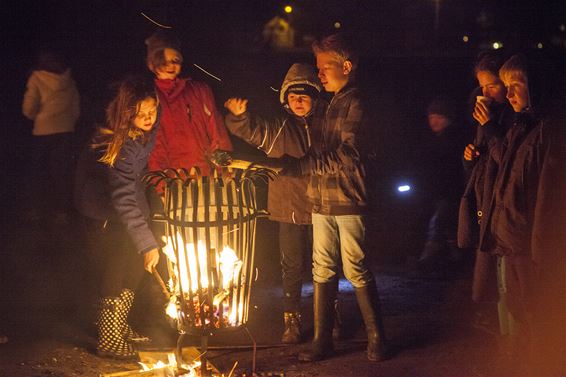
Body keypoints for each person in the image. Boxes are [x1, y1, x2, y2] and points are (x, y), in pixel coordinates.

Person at [271, 33, 386, 362]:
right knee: (321, 267)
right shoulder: (327, 104)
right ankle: (323, 340)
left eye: (324, 67)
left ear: (346, 66)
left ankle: (377, 338)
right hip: (320, 201)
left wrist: (303, 166)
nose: (318, 73)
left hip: (348, 200)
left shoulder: (356, 104)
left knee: (355, 267)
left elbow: (348, 154)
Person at [224, 63, 328, 344]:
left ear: (315, 98)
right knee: (292, 267)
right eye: (293, 97)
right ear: (285, 99)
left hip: (323, 208)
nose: (298, 101)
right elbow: (254, 131)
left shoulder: (327, 125)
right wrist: (240, 118)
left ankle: (328, 319)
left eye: (304, 96)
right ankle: (292, 321)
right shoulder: (280, 128)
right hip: (289, 209)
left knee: (325, 266)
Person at [478, 54, 566, 375]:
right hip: (511, 236)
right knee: (519, 308)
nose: (509, 93)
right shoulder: (521, 125)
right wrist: (487, 131)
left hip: (529, 244)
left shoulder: (550, 131)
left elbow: (548, 196)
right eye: (508, 85)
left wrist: (541, 249)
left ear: (536, 87)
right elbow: (509, 170)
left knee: (538, 312)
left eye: (517, 85)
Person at [74, 77, 161, 359]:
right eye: (142, 114)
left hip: (122, 206)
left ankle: (118, 325)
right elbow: (122, 196)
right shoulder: (120, 144)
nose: (149, 118)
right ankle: (109, 338)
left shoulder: (145, 132)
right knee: (118, 265)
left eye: (153, 111)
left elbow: (133, 183)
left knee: (135, 265)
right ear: (127, 114)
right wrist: (147, 243)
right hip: (102, 211)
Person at [460, 50, 515, 336]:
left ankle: (513, 342)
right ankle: (497, 328)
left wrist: (489, 126)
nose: (486, 92)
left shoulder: (512, 118)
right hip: (487, 204)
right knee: (491, 275)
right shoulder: (486, 115)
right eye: (482, 86)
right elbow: (483, 165)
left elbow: (507, 161)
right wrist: (469, 159)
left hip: (503, 208)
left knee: (507, 280)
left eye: (492, 85)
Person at [145, 30, 232, 174]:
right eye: (163, 61)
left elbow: (217, 130)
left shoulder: (199, 90)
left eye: (175, 60)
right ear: (152, 64)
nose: (170, 66)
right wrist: (160, 184)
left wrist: (225, 170)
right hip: (175, 181)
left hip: (207, 174)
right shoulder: (150, 99)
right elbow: (155, 146)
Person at [22, 47, 80, 223]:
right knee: (61, 173)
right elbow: (76, 108)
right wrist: (68, 123)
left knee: (38, 173)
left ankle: (36, 211)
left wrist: (35, 117)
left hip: (42, 132)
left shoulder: (36, 78)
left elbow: (28, 107)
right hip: (65, 131)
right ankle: (62, 212)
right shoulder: (69, 80)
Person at [415, 97, 466, 272]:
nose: (434, 121)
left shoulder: (453, 140)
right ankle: (457, 262)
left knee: (438, 224)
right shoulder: (434, 140)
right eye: (431, 117)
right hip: (440, 193)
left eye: (439, 117)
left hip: (451, 192)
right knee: (450, 228)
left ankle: (426, 261)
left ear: (448, 118)